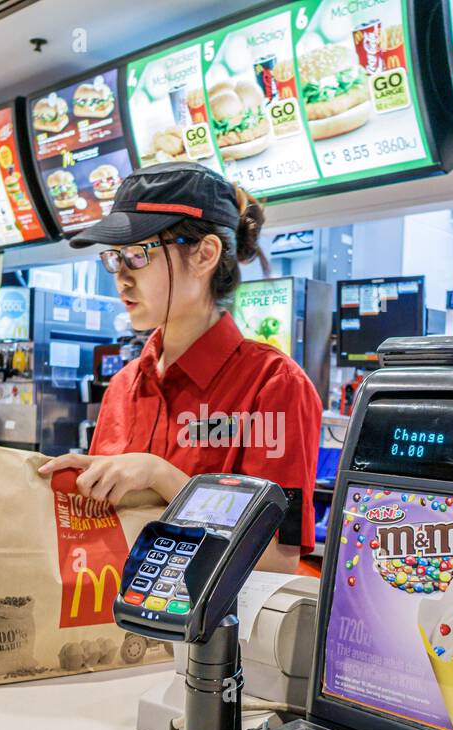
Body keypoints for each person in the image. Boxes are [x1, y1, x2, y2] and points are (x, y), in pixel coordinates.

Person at [38, 162, 322, 573]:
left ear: (205, 254)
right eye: (114, 259)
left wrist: (159, 476)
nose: (121, 279)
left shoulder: (275, 386)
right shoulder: (124, 386)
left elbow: (276, 558)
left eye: (137, 255)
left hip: (214, 633)